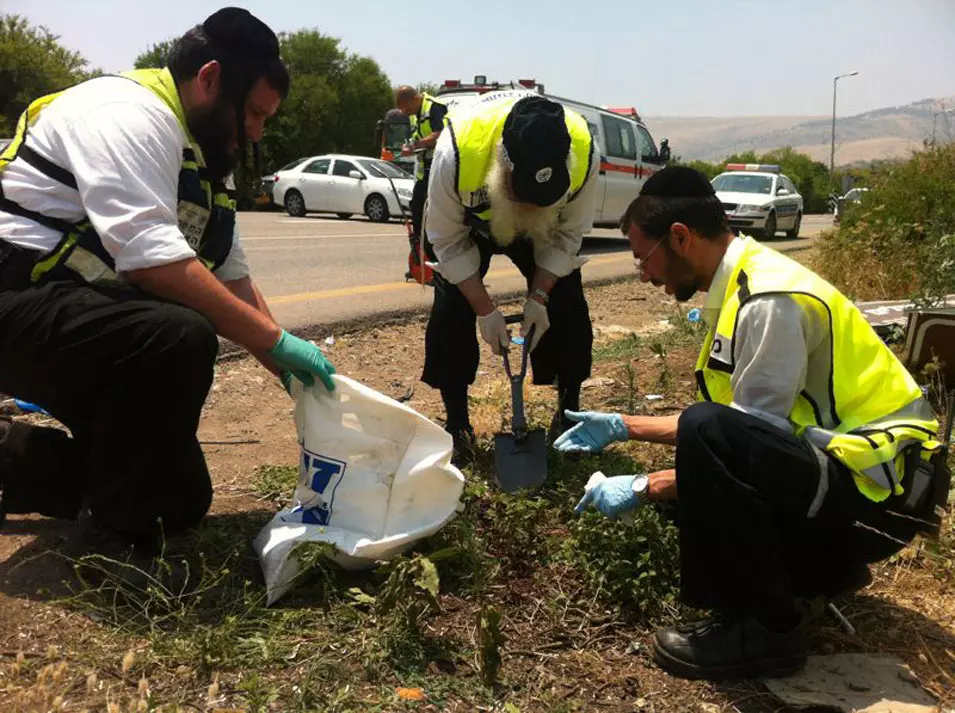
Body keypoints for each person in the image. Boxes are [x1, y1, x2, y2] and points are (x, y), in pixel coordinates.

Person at [558, 166, 945, 680]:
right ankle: (818, 574)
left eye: (642, 258)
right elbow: (747, 428)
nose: (645, 275)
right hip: (862, 483)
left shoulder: (767, 299)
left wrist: (643, 485)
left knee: (705, 451)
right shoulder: (745, 282)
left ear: (680, 237)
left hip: (884, 499)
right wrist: (624, 425)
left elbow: (736, 445)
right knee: (703, 466)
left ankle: (765, 629)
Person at [0, 8, 336, 569]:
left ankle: (12, 460)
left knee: (178, 500)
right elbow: (153, 261)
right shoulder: (126, 115)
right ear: (209, 79)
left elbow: (232, 276)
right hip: (16, 305)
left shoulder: (202, 155)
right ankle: (108, 548)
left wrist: (291, 370)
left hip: (82, 326)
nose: (256, 131)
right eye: (253, 113)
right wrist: (274, 342)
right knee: (178, 334)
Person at [422, 94, 599, 462]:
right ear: (503, 164)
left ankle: (569, 414)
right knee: (451, 308)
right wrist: (485, 311)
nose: (531, 206)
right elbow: (447, 243)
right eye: (525, 195)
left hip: (543, 231)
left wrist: (538, 298)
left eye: (543, 198)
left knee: (568, 302)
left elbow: (568, 237)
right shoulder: (456, 153)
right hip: (471, 222)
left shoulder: (585, 150)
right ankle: (457, 427)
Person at [395, 86, 449, 271]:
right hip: (424, 169)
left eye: (405, 107)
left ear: (414, 98)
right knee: (417, 207)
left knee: (433, 213)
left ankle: (438, 259)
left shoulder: (434, 107)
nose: (404, 112)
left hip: (440, 167)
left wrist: (416, 145)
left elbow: (440, 134)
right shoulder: (413, 114)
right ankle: (421, 251)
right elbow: (416, 137)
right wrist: (409, 145)